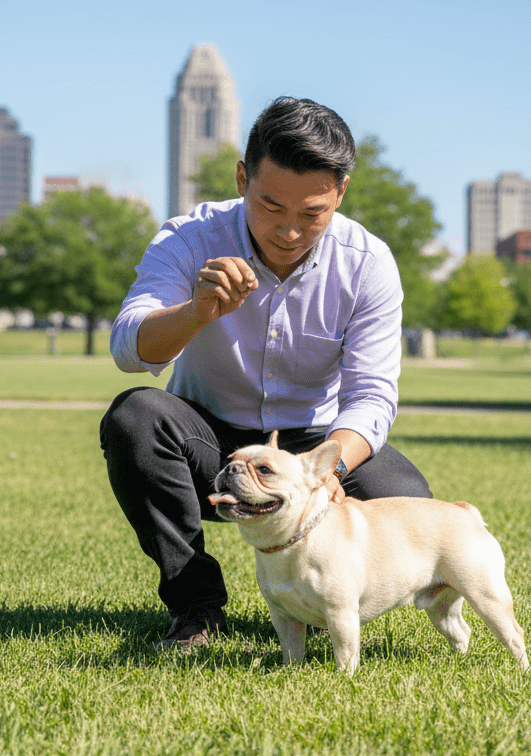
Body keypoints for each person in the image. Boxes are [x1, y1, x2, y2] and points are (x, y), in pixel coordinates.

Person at [101, 96, 431, 648]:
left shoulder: (368, 263)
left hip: (313, 442)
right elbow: (128, 347)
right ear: (241, 179)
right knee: (135, 418)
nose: (289, 232)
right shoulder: (189, 237)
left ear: (341, 192)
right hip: (208, 436)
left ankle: (327, 600)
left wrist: (323, 470)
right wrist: (196, 312)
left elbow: (371, 397)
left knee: (406, 495)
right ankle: (196, 606)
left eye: (312, 214)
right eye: (271, 206)